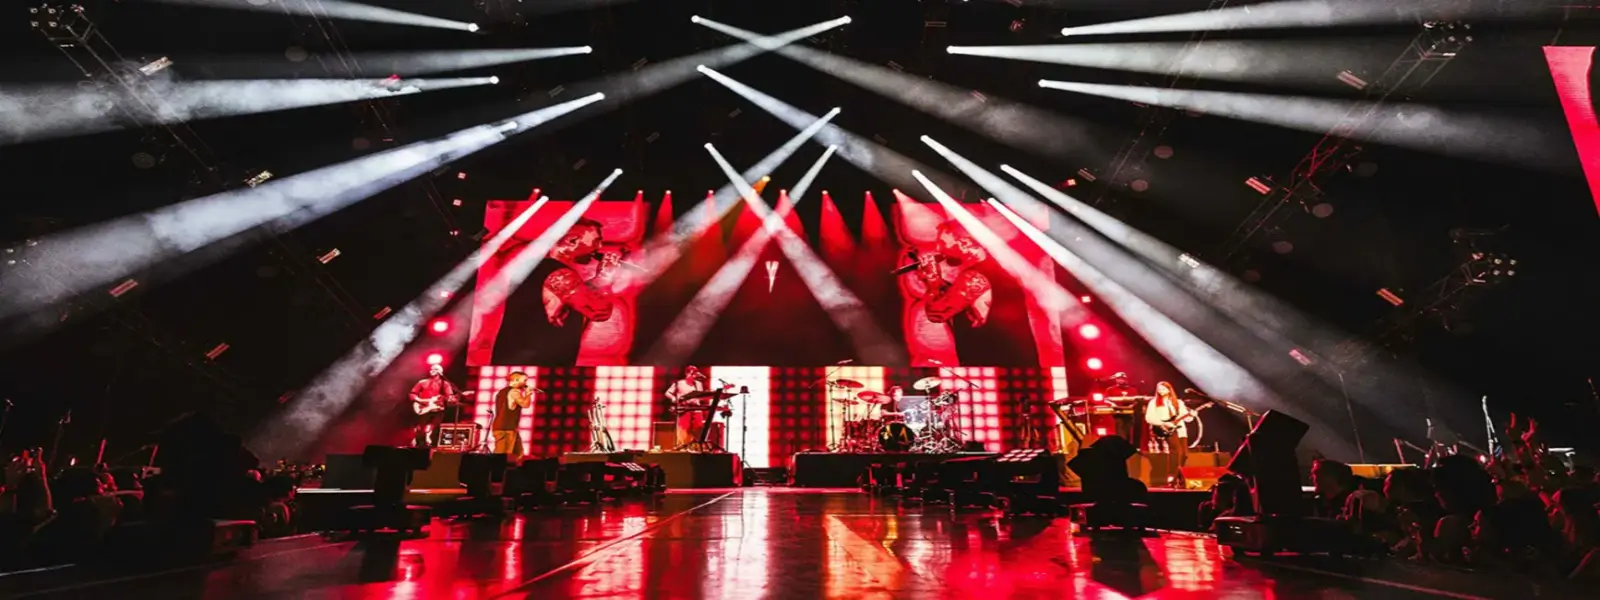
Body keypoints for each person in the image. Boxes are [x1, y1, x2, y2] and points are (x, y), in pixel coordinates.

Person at [906, 220, 1037, 367]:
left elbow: (936, 313)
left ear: (964, 243)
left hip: (996, 363)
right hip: (1009, 363)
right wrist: (933, 282)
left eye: (943, 243)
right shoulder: (996, 268)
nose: (938, 249)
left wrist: (932, 279)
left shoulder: (974, 276)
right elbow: (958, 299)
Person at [491, 218, 621, 365]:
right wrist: (605, 277)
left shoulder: (537, 267)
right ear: (572, 241)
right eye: (596, 241)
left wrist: (598, 280)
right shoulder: (555, 270)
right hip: (537, 364)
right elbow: (599, 311)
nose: (600, 246)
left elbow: (571, 296)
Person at [1144, 381, 1192, 487]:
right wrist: (1163, 423)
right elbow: (1149, 418)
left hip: (1180, 429)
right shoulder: (1154, 402)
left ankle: (1180, 477)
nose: (1161, 391)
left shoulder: (1178, 402)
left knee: (1184, 454)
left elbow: (1186, 418)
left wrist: (1191, 415)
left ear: (1169, 390)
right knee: (1176, 452)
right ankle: (1172, 478)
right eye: (1159, 389)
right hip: (1167, 429)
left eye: (1163, 389)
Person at [408, 364, 461, 448]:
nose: (431, 370)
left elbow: (449, 396)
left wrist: (451, 399)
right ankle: (419, 445)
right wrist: (421, 400)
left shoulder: (445, 384)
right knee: (420, 429)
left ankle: (430, 445)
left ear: (440, 372)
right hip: (424, 409)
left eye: (434, 369)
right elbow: (412, 394)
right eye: (431, 369)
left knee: (433, 428)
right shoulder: (422, 382)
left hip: (438, 410)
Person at [491, 371, 538, 461]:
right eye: (524, 380)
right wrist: (528, 394)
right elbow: (525, 404)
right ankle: (496, 469)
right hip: (505, 428)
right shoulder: (514, 391)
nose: (525, 383)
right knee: (502, 456)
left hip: (510, 428)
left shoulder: (502, 391)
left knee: (518, 453)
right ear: (516, 380)